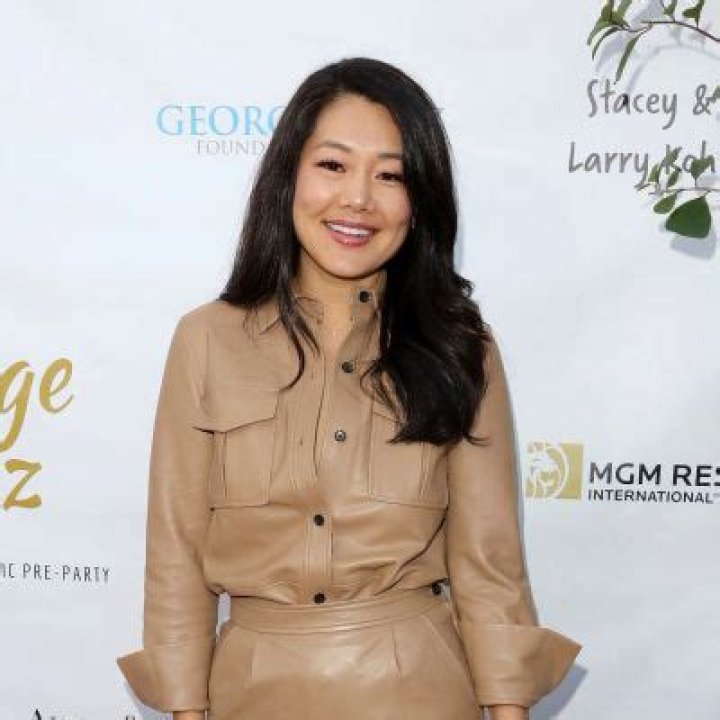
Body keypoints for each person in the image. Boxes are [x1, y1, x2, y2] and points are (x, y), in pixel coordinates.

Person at [116, 57, 582, 720]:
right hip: (250, 691)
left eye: (390, 175)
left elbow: (489, 564)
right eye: (333, 165)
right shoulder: (206, 339)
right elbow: (176, 555)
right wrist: (186, 710)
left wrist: (508, 711)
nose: (358, 199)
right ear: (289, 175)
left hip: (419, 692)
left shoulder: (459, 346)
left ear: (419, 202)